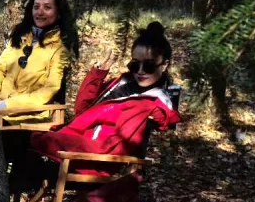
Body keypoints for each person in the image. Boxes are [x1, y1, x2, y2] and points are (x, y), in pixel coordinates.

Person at [29, 21, 181, 164]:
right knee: (13, 143)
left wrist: (53, 143)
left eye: (148, 66)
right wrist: (98, 73)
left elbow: (109, 148)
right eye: (134, 65)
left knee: (17, 143)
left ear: (164, 65)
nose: (140, 72)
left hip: (80, 160)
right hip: (67, 147)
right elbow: (82, 110)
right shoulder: (123, 84)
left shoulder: (152, 103)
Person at [0, 0, 78, 122]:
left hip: (25, 118)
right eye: (36, 7)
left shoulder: (60, 50)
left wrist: (6, 106)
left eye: (47, 7)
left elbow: (47, 91)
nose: (40, 12)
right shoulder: (21, 37)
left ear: (58, 13)